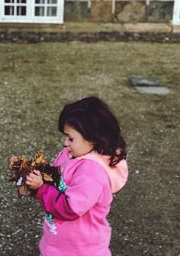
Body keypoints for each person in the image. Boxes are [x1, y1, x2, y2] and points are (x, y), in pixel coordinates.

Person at [26, 96, 128, 256]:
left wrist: (41, 189)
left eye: (71, 138)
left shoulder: (92, 173)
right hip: (59, 243)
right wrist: (33, 184)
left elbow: (69, 208)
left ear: (93, 138)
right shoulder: (73, 153)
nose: (65, 143)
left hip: (81, 249)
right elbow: (56, 181)